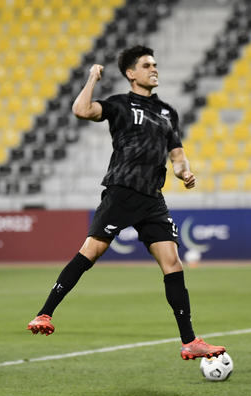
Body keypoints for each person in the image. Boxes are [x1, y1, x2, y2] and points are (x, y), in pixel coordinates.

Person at [27, 45, 226, 360]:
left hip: (152, 197)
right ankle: (44, 313)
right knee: (92, 252)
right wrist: (92, 78)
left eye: (155, 64)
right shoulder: (119, 104)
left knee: (172, 262)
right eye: (147, 65)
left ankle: (189, 341)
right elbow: (81, 110)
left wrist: (184, 173)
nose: (154, 69)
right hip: (122, 189)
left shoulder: (167, 112)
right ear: (131, 74)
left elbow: (177, 155)